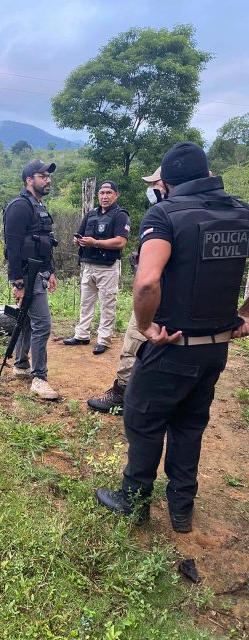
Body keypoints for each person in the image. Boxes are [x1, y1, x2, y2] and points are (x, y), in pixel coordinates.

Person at [96, 142, 249, 533]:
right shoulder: (240, 212)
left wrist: (147, 327)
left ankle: (133, 501)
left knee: (144, 420)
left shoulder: (164, 215)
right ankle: (182, 507)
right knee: (190, 424)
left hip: (172, 345)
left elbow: (147, 281)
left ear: (167, 182)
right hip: (216, 348)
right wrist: (245, 315)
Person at [87, 168, 166, 413]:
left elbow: (148, 277)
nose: (153, 188)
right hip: (188, 300)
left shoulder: (163, 214)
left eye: (156, 183)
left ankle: (122, 393)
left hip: (157, 292)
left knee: (134, 340)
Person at [3, 159, 59, 400]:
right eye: (42, 176)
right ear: (29, 180)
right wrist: (17, 282)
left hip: (40, 272)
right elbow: (13, 248)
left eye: (48, 176)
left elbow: (45, 242)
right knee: (42, 325)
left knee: (26, 322)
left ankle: (21, 365)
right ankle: (39, 378)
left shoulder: (39, 205)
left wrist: (51, 271)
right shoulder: (19, 206)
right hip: (27, 274)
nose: (48, 180)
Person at [63, 181, 130, 355]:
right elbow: (79, 234)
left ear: (116, 195)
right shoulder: (91, 214)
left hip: (107, 267)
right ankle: (82, 335)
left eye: (108, 193)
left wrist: (96, 243)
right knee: (85, 303)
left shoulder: (120, 215)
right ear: (98, 195)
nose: (104, 196)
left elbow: (121, 242)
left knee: (107, 304)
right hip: (88, 264)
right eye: (102, 193)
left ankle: (103, 339)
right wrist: (78, 240)